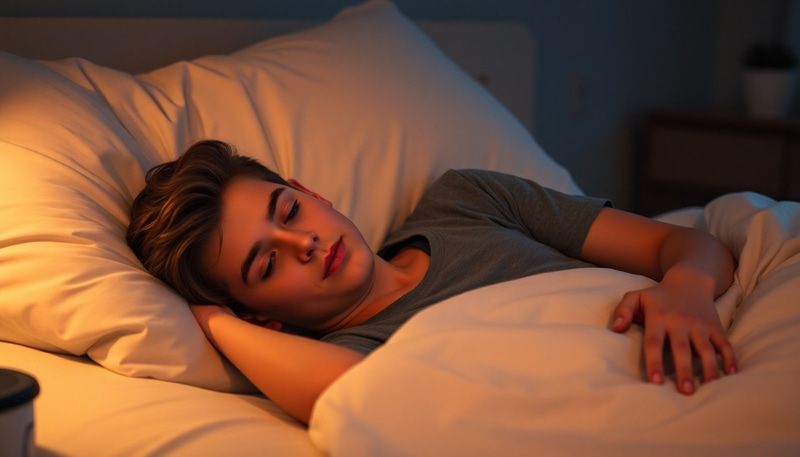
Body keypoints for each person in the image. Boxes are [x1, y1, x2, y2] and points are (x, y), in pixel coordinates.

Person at [127, 139, 737, 424]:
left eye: (289, 212)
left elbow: (682, 245)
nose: (304, 243)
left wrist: (684, 287)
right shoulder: (352, 356)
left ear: (312, 193)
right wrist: (214, 320)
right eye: (266, 265)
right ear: (260, 316)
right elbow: (342, 398)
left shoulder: (464, 201)